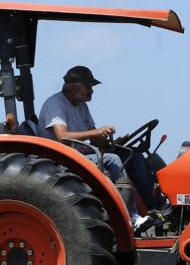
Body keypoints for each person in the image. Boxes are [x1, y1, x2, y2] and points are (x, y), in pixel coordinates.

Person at [38, 65, 167, 232]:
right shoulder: (55, 104)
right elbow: (62, 136)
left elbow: (93, 137)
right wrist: (97, 132)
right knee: (113, 160)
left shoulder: (81, 105)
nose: (92, 91)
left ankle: (156, 205)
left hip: (84, 153)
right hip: (65, 158)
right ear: (75, 87)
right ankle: (133, 218)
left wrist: (111, 143)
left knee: (131, 154)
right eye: (88, 86)